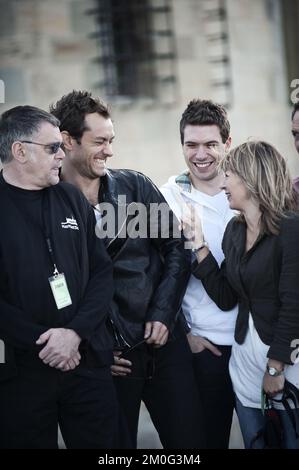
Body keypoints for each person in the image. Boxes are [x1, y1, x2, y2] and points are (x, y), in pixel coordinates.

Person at [50, 90, 205, 449]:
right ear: (68, 141)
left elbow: (177, 249)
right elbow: (51, 287)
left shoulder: (134, 186)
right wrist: (95, 350)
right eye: (99, 141)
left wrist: (164, 314)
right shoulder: (49, 204)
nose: (109, 150)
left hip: (164, 346)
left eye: (111, 140)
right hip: (109, 362)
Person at [0, 105, 118, 449]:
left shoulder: (69, 197)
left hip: (85, 361)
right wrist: (47, 343)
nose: (62, 155)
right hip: (23, 372)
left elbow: (101, 272)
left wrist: (74, 334)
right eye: (52, 148)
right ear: (19, 151)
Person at [189, 140, 299, 448]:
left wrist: (276, 367)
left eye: (229, 174)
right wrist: (199, 246)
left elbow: (295, 305)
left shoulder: (291, 230)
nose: (223, 182)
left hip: (287, 372)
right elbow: (226, 296)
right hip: (244, 372)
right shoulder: (234, 232)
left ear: (251, 177)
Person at [160, 99, 237, 448]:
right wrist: (184, 334)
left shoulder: (246, 190)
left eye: (210, 144)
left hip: (254, 342)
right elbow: (156, 275)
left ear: (227, 143)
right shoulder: (168, 196)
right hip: (205, 347)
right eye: (191, 145)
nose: (200, 154)